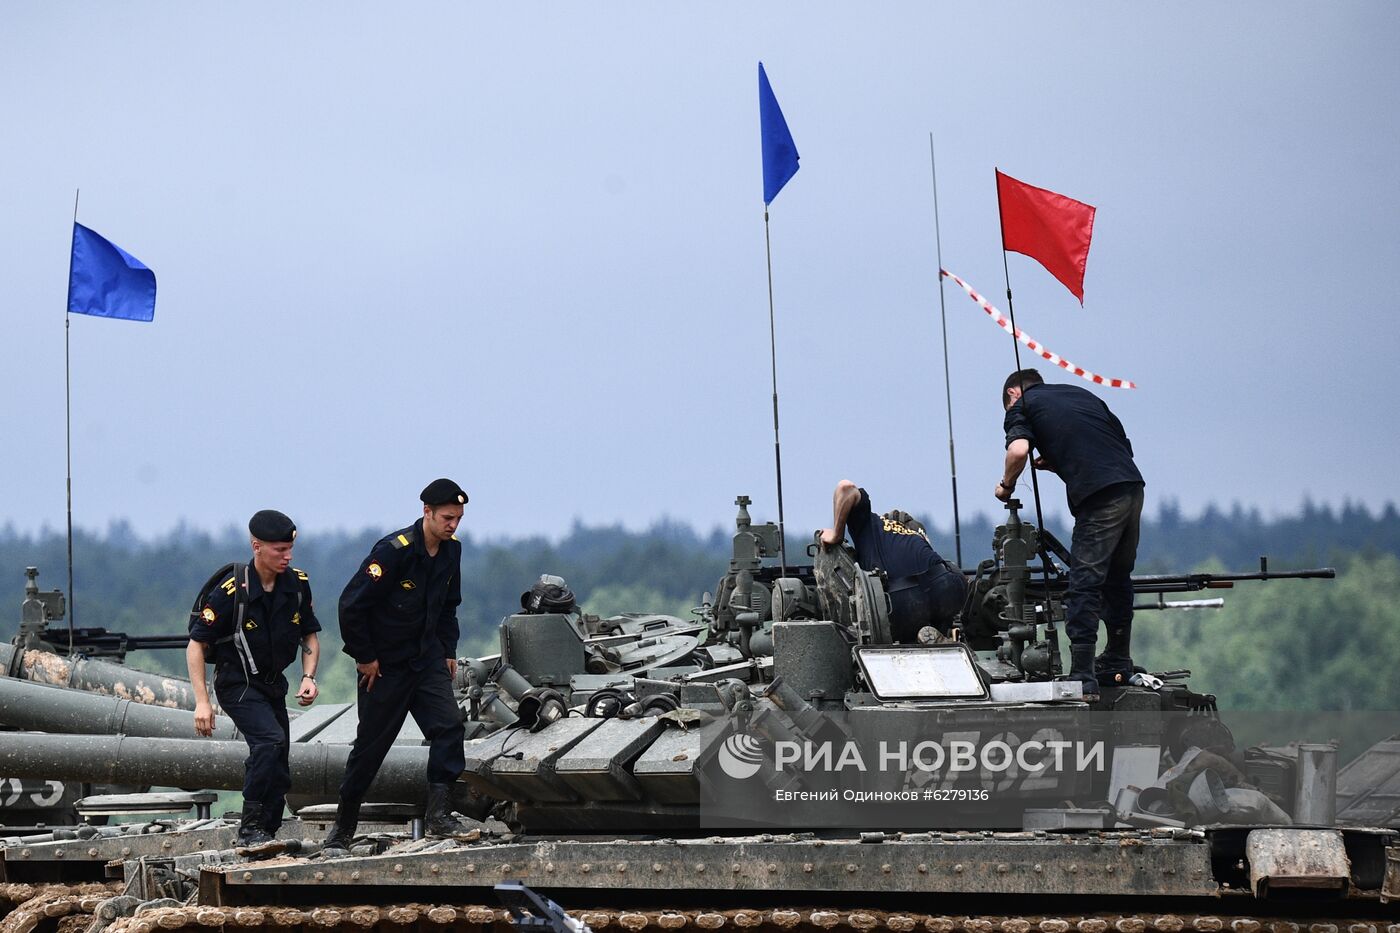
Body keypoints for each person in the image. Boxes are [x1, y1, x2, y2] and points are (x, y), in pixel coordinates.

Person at [322, 478, 471, 854]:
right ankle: (342, 828)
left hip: (426, 659)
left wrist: (448, 649)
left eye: (458, 518)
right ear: (427, 512)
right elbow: (351, 605)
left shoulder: (452, 551)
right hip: (385, 666)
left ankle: (440, 815)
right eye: (447, 518)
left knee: (449, 727)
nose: (453, 525)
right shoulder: (394, 552)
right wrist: (365, 657)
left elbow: (448, 605)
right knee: (370, 748)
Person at [995, 368, 1145, 699]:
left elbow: (1018, 451)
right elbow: (1119, 445)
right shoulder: (1081, 395)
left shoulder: (1022, 405)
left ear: (1013, 394)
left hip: (1099, 496)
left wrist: (1006, 486)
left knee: (1084, 584)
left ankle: (1083, 676)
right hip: (1131, 486)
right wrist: (1057, 459)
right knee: (1117, 579)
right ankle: (1118, 659)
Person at [186, 509, 320, 846]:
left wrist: (309, 677)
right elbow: (196, 645)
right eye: (279, 550)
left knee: (280, 759)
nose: (287, 556)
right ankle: (250, 829)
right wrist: (202, 702)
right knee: (268, 743)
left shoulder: (297, 585)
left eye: (290, 549)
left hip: (273, 684)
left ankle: (268, 831)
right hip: (237, 683)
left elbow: (309, 635)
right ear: (257, 547)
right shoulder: (232, 591)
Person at [819, 481, 967, 642]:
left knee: (900, 627)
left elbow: (845, 488)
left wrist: (836, 534)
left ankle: (919, 640)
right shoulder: (916, 536)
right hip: (947, 586)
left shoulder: (869, 523)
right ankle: (949, 638)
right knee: (938, 608)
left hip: (900, 600)